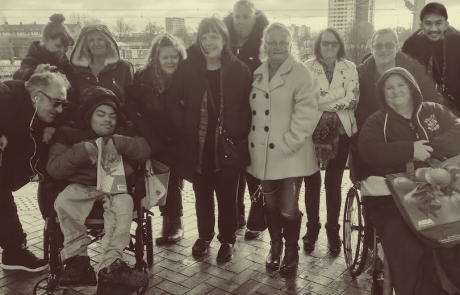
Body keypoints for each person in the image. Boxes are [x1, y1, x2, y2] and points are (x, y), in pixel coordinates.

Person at [358, 67, 460, 295]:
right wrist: (409, 150)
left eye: (401, 85)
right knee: (406, 242)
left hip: (441, 189)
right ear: (382, 94)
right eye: (389, 87)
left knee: (454, 236)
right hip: (393, 196)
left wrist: (429, 147)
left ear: (412, 87)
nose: (396, 91)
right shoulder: (376, 122)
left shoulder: (434, 111)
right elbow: (367, 151)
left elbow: (458, 131)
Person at [167, 17, 252, 262]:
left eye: (213, 36)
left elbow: (247, 107)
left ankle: (227, 239)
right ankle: (204, 236)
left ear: (224, 39)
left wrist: (237, 131)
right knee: (202, 193)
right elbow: (172, 99)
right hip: (198, 144)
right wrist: (184, 126)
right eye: (203, 36)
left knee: (228, 196)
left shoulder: (238, 69)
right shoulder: (188, 67)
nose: (208, 42)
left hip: (228, 144)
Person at [46, 86, 150, 287]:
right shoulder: (68, 133)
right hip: (81, 185)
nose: (107, 120)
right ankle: (77, 261)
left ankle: (111, 266)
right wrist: (82, 150)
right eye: (100, 114)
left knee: (124, 203)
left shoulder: (124, 132)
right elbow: (54, 169)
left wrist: (118, 142)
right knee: (64, 201)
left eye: (112, 115)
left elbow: (144, 150)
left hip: (114, 186)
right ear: (89, 116)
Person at [247, 23, 319, 273]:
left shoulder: (300, 72)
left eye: (282, 42)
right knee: (270, 204)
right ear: (264, 45)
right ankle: (274, 247)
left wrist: (290, 143)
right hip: (263, 155)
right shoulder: (257, 73)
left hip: (290, 154)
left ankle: (291, 250)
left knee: (289, 206)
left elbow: (308, 112)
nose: (277, 46)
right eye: (272, 42)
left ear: (290, 45)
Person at [352, 28, 444, 182]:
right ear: (371, 49)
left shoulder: (414, 70)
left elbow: (433, 100)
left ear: (397, 47)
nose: (384, 50)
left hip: (414, 137)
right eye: (379, 46)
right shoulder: (360, 75)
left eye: (389, 45)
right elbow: (355, 110)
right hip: (378, 141)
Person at [0, 71, 70, 272]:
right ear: (36, 96)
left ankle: (15, 252)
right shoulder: (9, 96)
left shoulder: (38, 111)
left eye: (62, 103)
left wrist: (54, 124)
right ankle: (14, 252)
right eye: (55, 102)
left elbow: (72, 112)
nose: (59, 109)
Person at [303, 27, 359, 253]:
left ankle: (332, 229)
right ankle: (312, 227)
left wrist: (324, 104)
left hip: (342, 132)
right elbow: (306, 99)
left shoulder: (350, 67)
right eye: (325, 43)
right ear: (318, 44)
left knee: (333, 182)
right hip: (311, 131)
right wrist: (336, 103)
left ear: (340, 46)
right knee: (311, 181)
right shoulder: (306, 67)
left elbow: (353, 99)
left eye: (333, 43)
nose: (329, 47)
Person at [128, 34, 187, 245]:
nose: (170, 61)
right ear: (156, 57)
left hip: (179, 136)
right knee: (161, 178)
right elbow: (134, 109)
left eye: (174, 56)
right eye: (165, 57)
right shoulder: (143, 78)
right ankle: (169, 221)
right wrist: (149, 137)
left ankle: (175, 222)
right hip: (153, 136)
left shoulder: (185, 76)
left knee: (174, 180)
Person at [223, 0, 269, 239]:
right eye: (237, 16)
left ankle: (256, 211)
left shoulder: (263, 42)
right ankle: (237, 213)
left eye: (245, 16)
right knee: (232, 165)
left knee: (253, 166)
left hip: (256, 112)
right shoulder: (224, 40)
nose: (241, 21)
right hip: (230, 113)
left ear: (254, 17)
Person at [402, 2, 460, 115]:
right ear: (421, 25)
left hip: (456, 107)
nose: (434, 29)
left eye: (438, 23)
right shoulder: (411, 45)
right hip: (423, 106)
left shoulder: (457, 43)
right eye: (428, 23)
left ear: (446, 24)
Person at [70, 24, 134, 105]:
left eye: (100, 39)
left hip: (115, 117)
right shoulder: (77, 69)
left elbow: (131, 101)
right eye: (91, 40)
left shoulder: (124, 67)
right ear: (86, 44)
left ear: (108, 42)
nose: (96, 44)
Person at [13, 14, 75, 86]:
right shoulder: (34, 57)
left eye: (66, 46)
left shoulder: (63, 60)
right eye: (58, 45)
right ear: (45, 40)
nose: (63, 51)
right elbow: (17, 76)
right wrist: (34, 72)